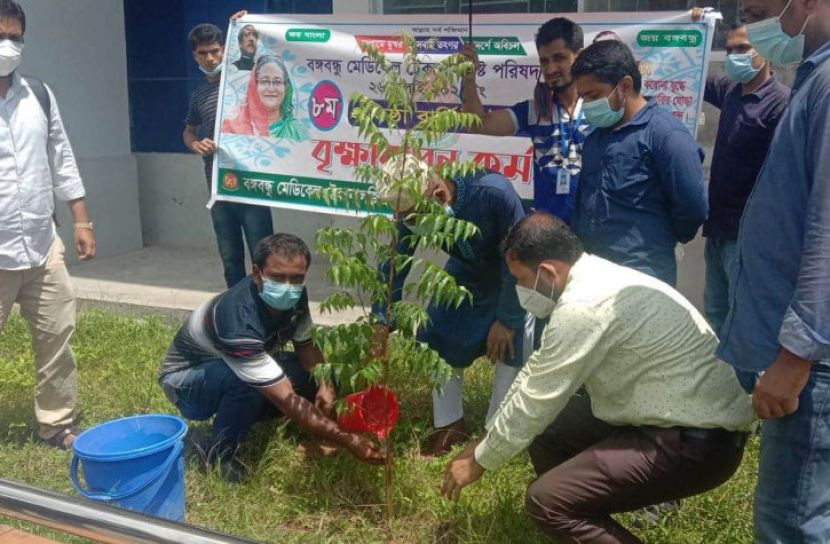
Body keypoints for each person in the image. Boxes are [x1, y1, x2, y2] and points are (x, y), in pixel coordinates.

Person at [442, 213, 755, 543]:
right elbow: (536, 375)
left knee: (547, 503)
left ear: (547, 271)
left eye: (521, 280)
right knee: (552, 427)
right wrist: (483, 444)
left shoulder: (583, 306)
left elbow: (536, 399)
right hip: (680, 423)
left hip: (697, 442)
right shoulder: (595, 278)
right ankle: (586, 520)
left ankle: (572, 512)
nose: (520, 290)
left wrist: (479, 463)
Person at [717, 0, 830, 541]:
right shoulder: (816, 77)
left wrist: (795, 355)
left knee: (791, 523)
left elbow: (827, 231)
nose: (761, 24)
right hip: (808, 361)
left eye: (764, 9)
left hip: (812, 367)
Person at [159, 233, 384, 480]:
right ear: (257, 274)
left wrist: (326, 386)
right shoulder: (237, 321)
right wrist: (346, 437)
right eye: (278, 277)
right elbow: (288, 399)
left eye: (297, 278)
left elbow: (306, 346)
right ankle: (220, 455)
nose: (288, 286)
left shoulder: (296, 296)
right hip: (187, 383)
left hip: (235, 363)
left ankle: (251, 414)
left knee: (321, 373)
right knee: (247, 384)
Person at [375, 155, 529, 457]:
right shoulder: (411, 210)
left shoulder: (493, 192)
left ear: (439, 195)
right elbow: (395, 264)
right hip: (467, 273)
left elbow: (521, 255)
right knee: (436, 335)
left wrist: (508, 319)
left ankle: (493, 436)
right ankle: (450, 425)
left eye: (415, 217)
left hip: (514, 275)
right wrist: (382, 318)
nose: (410, 224)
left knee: (511, 347)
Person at [0, 0, 96, 450]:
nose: (7, 45)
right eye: (0, 35)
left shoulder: (38, 93)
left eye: (14, 36)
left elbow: (61, 154)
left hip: (41, 243)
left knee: (57, 334)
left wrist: (81, 220)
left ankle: (56, 423)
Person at [570, 39, 707, 287]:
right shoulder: (596, 138)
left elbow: (693, 208)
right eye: (582, 97)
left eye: (593, 96)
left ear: (625, 85)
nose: (587, 105)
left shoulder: (666, 136)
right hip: (594, 271)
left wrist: (660, 240)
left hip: (643, 275)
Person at [693, 13, 790, 336]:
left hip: (749, 235)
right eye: (730, 49)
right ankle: (727, 385)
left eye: (743, 49)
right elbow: (691, 79)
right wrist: (694, 27)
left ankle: (751, 383)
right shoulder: (731, 91)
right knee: (717, 314)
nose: (734, 57)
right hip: (719, 228)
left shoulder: (780, 104)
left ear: (764, 51)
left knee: (746, 317)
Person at [461, 18, 588, 223]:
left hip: (594, 231)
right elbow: (477, 125)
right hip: (550, 230)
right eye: (544, 61)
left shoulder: (600, 108)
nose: (551, 68)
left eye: (559, 58)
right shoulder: (534, 109)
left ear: (579, 57)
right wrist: (468, 80)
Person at [184, 22, 274, 288]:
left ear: (224, 50)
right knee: (231, 260)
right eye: (203, 53)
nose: (210, 58)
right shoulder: (198, 96)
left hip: (251, 185)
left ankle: (268, 315)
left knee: (264, 257)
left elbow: (258, 52)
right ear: (195, 56)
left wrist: (248, 22)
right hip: (219, 189)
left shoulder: (245, 82)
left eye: (214, 51)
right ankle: (236, 314)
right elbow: (188, 131)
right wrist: (196, 144)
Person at [221, 55, 307, 141]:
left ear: (286, 87)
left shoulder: (296, 131)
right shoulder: (232, 127)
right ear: (254, 86)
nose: (271, 88)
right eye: (264, 81)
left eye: (277, 82)